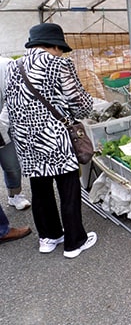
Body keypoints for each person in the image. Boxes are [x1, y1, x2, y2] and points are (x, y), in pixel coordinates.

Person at [4, 23, 97, 258]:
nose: (61, 53)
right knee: (68, 188)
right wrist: (88, 106)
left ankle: (49, 237)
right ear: (54, 46)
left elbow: (11, 104)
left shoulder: (13, 67)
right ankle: (75, 242)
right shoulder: (58, 64)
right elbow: (80, 103)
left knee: (40, 189)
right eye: (60, 49)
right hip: (54, 137)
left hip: (26, 141)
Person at [0, 56, 30, 211]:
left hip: (2, 124)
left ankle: (14, 195)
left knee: (11, 164)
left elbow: (11, 98)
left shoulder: (5, 65)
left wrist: (2, 124)